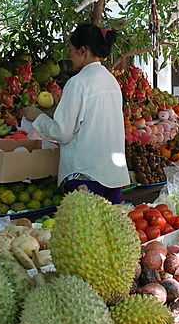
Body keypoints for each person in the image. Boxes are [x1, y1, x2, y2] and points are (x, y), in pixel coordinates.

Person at [22, 24, 130, 204]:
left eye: (71, 51)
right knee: (110, 230)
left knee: (85, 231)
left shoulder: (78, 83)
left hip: (86, 175)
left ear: (83, 51)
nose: (69, 57)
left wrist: (37, 117)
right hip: (112, 175)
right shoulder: (110, 80)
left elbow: (62, 133)